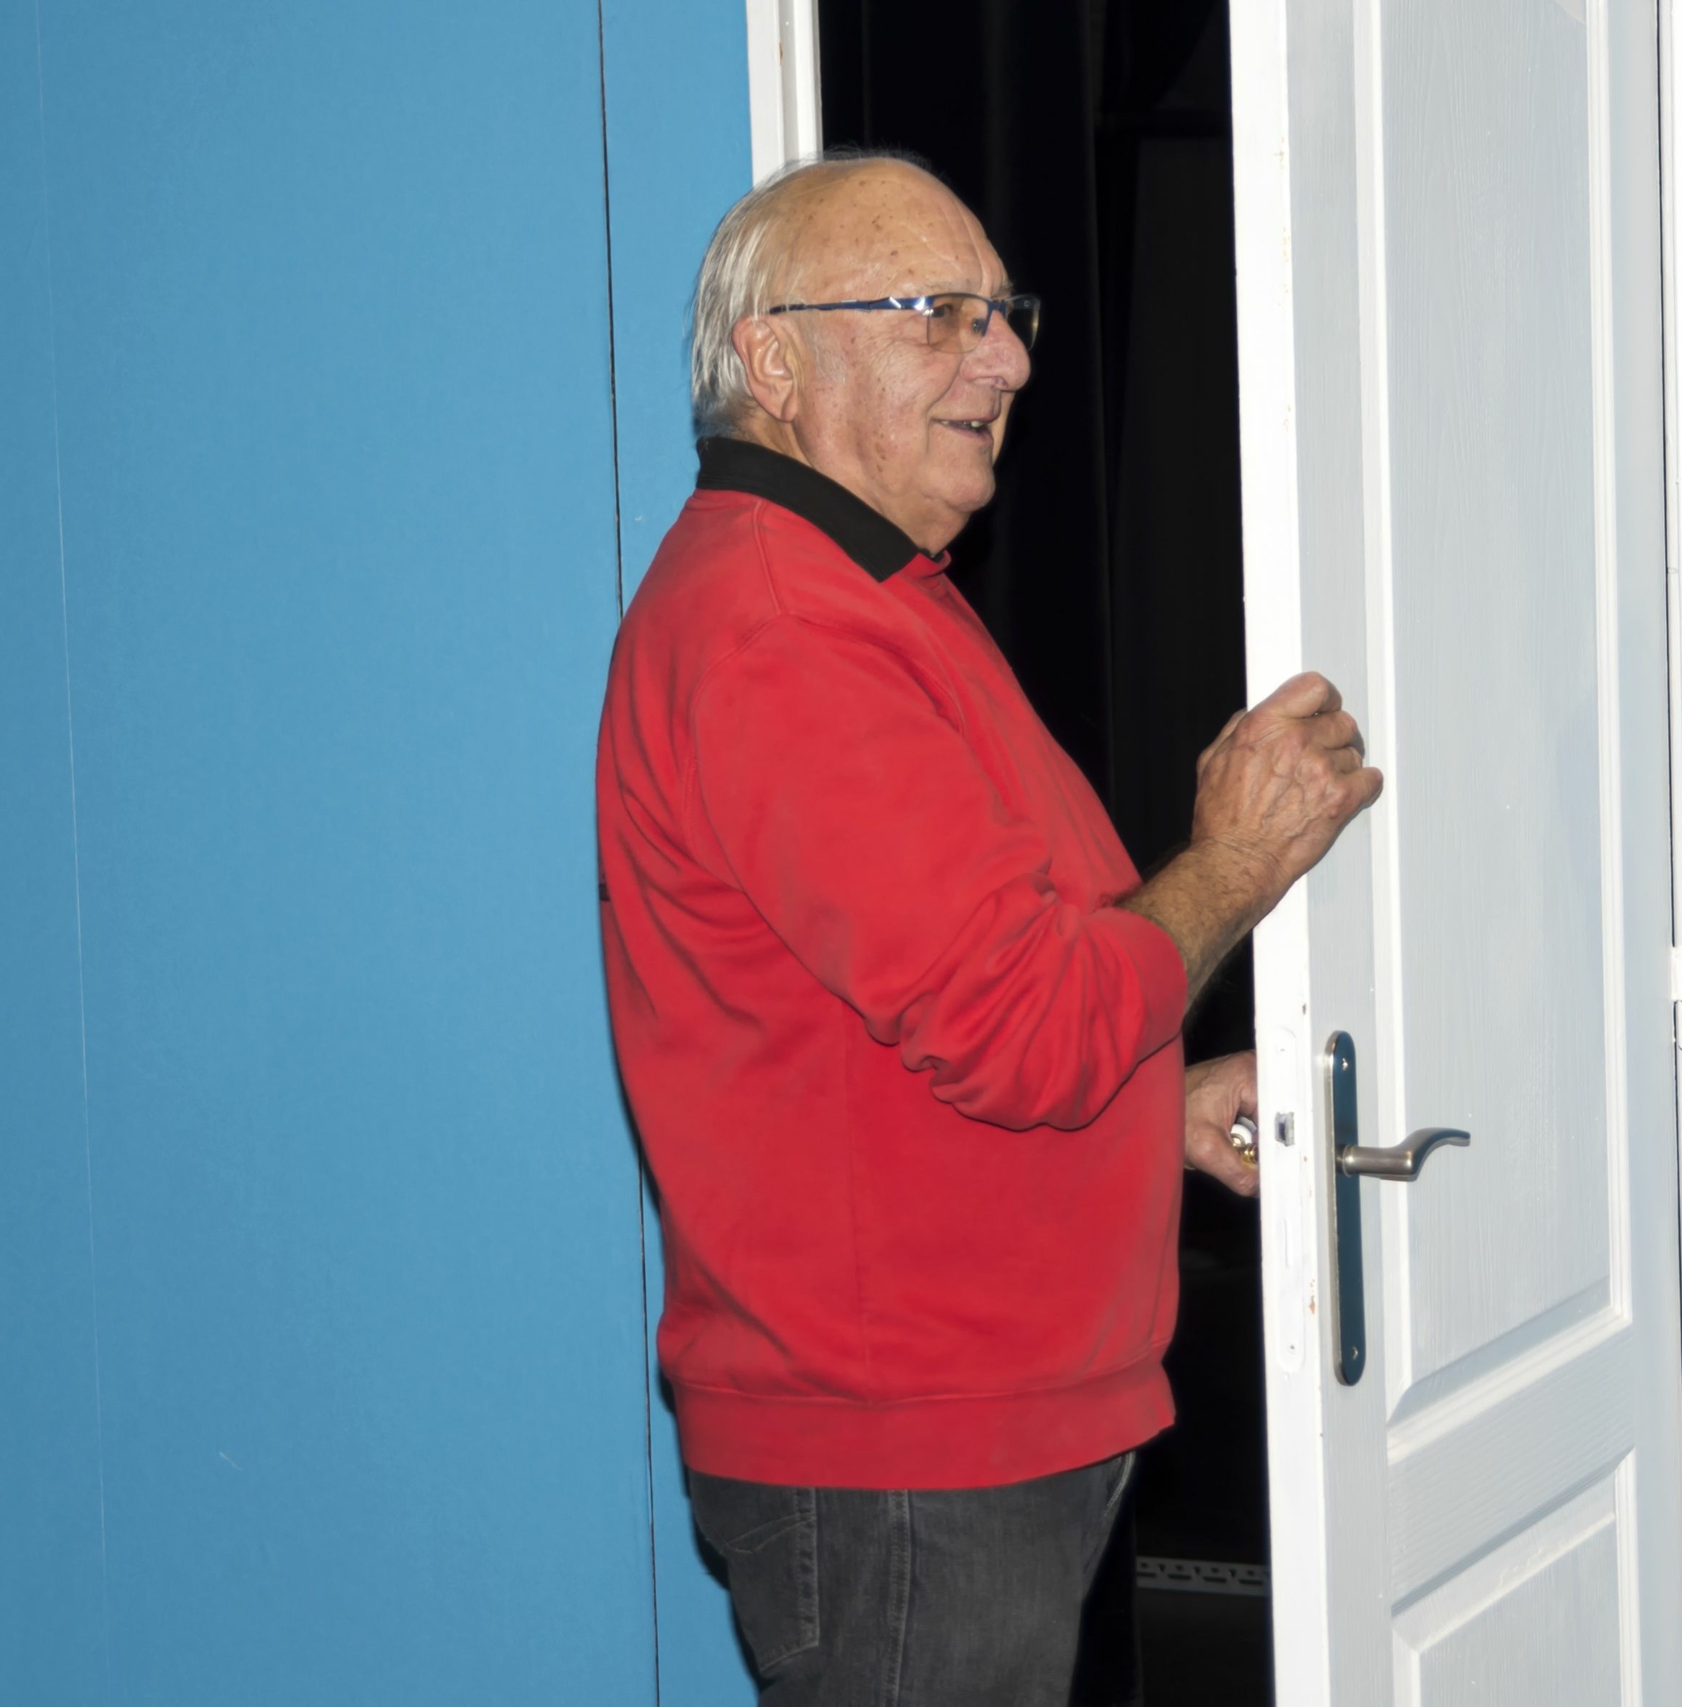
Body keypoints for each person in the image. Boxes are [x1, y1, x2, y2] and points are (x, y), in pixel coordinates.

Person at [593, 152, 1379, 1705]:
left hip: (949, 1443)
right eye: (935, 312)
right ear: (774, 364)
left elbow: (920, 1023)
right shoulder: (786, 629)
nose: (1006, 357)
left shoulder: (866, 593)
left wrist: (1153, 1108)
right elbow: (1027, 1026)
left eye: (1004, 313)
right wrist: (1235, 861)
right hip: (909, 1461)